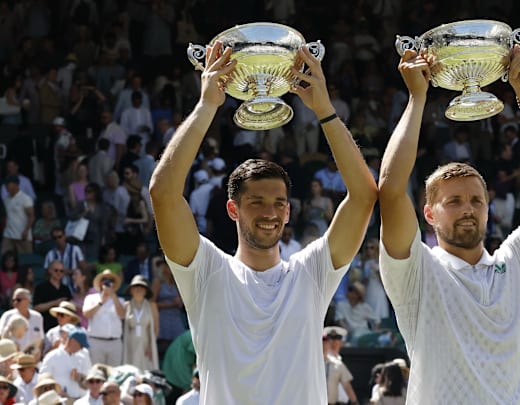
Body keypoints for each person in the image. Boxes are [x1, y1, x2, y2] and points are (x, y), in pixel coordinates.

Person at [149, 42, 376, 403]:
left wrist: (325, 110)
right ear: (233, 209)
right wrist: (207, 105)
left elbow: (364, 196)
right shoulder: (206, 271)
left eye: (278, 203)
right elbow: (163, 192)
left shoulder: (311, 272)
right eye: (256, 202)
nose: (269, 212)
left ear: (289, 212)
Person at [377, 46, 520, 403]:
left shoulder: (518, 262)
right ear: (429, 214)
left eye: (476, 200)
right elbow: (391, 189)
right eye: (453, 201)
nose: (467, 209)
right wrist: (416, 99)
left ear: (488, 209)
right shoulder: (417, 271)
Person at [82, 269, 125, 366]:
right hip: (96, 342)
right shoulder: (91, 298)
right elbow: (86, 314)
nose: (108, 283)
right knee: (96, 372)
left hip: (115, 342)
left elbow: (122, 315)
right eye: (105, 280)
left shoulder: (120, 300)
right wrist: (101, 302)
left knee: (114, 375)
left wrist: (113, 296)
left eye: (111, 280)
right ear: (101, 283)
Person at [39, 327, 92, 401]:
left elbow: (89, 382)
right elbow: (43, 378)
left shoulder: (81, 358)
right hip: (59, 400)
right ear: (73, 341)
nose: (81, 348)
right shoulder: (52, 356)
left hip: (79, 400)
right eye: (81, 345)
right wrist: (56, 391)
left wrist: (79, 378)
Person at [122, 275, 159, 371]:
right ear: (131, 290)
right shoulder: (127, 305)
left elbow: (155, 327)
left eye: (141, 287)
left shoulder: (152, 306)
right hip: (130, 342)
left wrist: (151, 346)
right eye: (135, 287)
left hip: (145, 342)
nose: (138, 289)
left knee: (147, 367)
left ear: (146, 291)